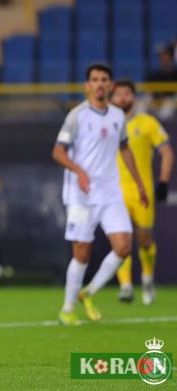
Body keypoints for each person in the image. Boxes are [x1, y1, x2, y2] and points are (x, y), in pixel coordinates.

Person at [52, 63, 149, 326]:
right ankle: (67, 308)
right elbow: (58, 152)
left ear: (110, 85)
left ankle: (88, 292)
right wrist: (80, 172)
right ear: (87, 85)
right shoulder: (77, 116)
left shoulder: (118, 115)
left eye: (104, 79)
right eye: (94, 79)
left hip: (109, 192)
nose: (99, 84)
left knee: (123, 247)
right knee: (82, 252)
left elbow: (125, 149)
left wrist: (139, 183)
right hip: (81, 194)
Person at [111, 79, 174, 305]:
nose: (122, 98)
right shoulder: (107, 123)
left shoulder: (147, 123)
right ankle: (125, 285)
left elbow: (166, 152)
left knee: (145, 239)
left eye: (127, 94)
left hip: (141, 190)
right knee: (121, 239)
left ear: (133, 97)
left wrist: (163, 181)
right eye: (118, 94)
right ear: (112, 98)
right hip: (114, 191)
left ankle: (147, 277)